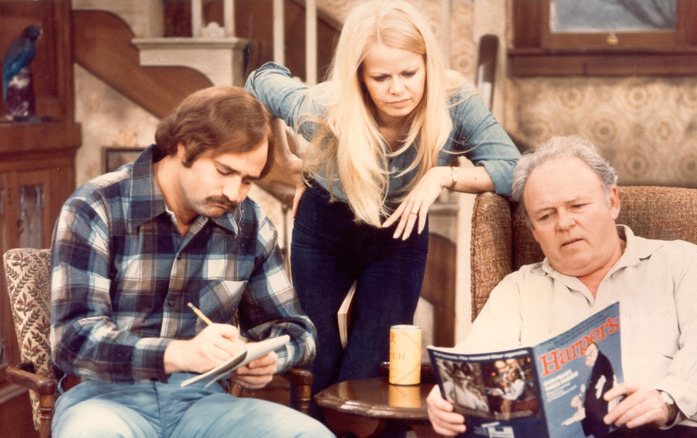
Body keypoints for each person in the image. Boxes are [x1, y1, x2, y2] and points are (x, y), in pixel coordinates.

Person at [244, 0, 520, 399]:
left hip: (399, 236)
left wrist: (443, 175)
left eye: (410, 72)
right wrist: (284, 159)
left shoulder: (454, 101)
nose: (398, 88)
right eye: (380, 77)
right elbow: (262, 80)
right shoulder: (323, 107)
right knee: (317, 363)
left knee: (368, 374)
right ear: (360, 79)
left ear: (427, 64)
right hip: (323, 229)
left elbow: (514, 168)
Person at [49, 86, 334, 438]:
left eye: (247, 180)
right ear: (183, 147)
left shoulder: (248, 223)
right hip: (102, 401)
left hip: (202, 403)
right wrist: (180, 354)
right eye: (224, 171)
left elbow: (297, 330)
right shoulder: (95, 207)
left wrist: (270, 358)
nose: (234, 193)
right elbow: (73, 340)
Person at [426, 136, 697, 437]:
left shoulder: (682, 263)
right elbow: (477, 357)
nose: (564, 223)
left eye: (577, 206)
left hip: (678, 430)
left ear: (612, 201)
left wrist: (666, 400)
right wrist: (448, 393)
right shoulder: (518, 290)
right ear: (534, 231)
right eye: (546, 216)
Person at [581, 342, 617, 437]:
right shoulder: (597, 365)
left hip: (601, 417)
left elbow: (597, 389)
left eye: (590, 354)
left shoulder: (601, 362)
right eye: (586, 356)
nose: (587, 357)